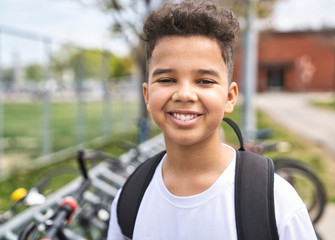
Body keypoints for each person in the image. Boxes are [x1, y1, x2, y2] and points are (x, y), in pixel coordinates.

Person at [107, 1, 317, 239]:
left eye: (204, 81)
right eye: (167, 79)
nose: (184, 94)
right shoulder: (131, 198)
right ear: (147, 95)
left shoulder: (276, 203)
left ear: (229, 97)